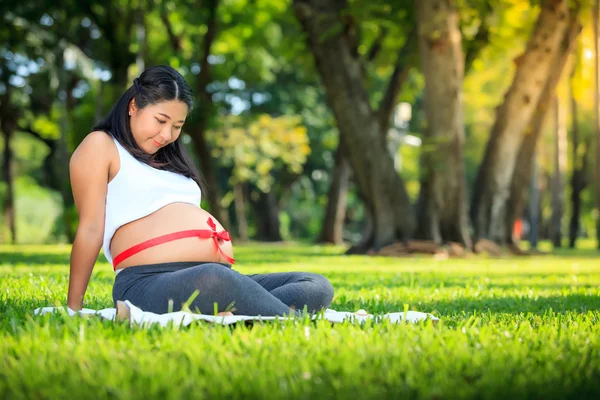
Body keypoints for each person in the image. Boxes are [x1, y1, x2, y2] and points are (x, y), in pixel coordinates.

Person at [67, 65, 334, 316]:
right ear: (134, 106)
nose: (167, 134)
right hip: (147, 283)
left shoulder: (171, 161)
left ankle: (240, 312)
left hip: (213, 276)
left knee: (315, 285)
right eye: (160, 120)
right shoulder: (102, 146)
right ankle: (292, 320)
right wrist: (73, 309)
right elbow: (90, 229)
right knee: (216, 280)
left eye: (177, 126)